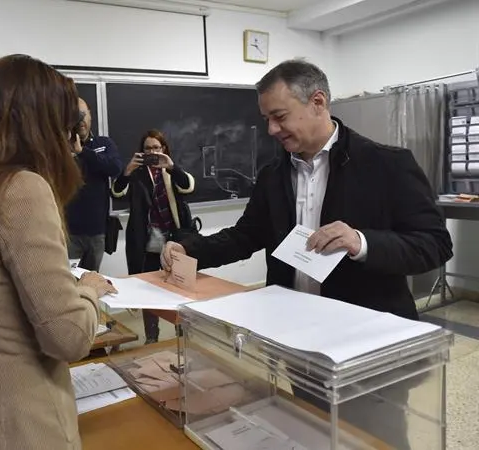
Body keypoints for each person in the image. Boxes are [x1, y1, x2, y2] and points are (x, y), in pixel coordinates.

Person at [161, 59, 453, 450]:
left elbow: (434, 243)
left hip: (367, 347)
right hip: (299, 345)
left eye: (279, 117)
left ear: (317, 102)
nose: (271, 130)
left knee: (377, 439)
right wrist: (188, 246)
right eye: (266, 119)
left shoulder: (386, 164)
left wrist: (362, 243)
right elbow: (245, 236)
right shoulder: (273, 174)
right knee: (313, 432)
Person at [0, 54, 117, 450]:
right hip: (24, 424)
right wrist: (90, 291)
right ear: (41, 126)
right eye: (66, 129)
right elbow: (67, 338)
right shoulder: (21, 189)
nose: (71, 143)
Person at [112, 129, 195, 344]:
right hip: (146, 240)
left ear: (164, 149)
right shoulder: (137, 173)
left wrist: (172, 167)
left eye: (156, 148)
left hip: (175, 239)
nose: (152, 152)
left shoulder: (171, 170)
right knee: (147, 289)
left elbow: (188, 187)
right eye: (148, 148)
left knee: (180, 286)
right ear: (142, 151)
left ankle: (182, 333)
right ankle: (152, 336)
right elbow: (117, 193)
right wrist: (127, 172)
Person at [65, 97, 123, 271]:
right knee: (68, 280)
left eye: (83, 114)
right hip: (68, 232)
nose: (80, 120)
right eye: (76, 115)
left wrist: (83, 152)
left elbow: (115, 168)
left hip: (97, 230)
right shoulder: (60, 147)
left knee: (91, 279)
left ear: (90, 116)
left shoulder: (103, 144)